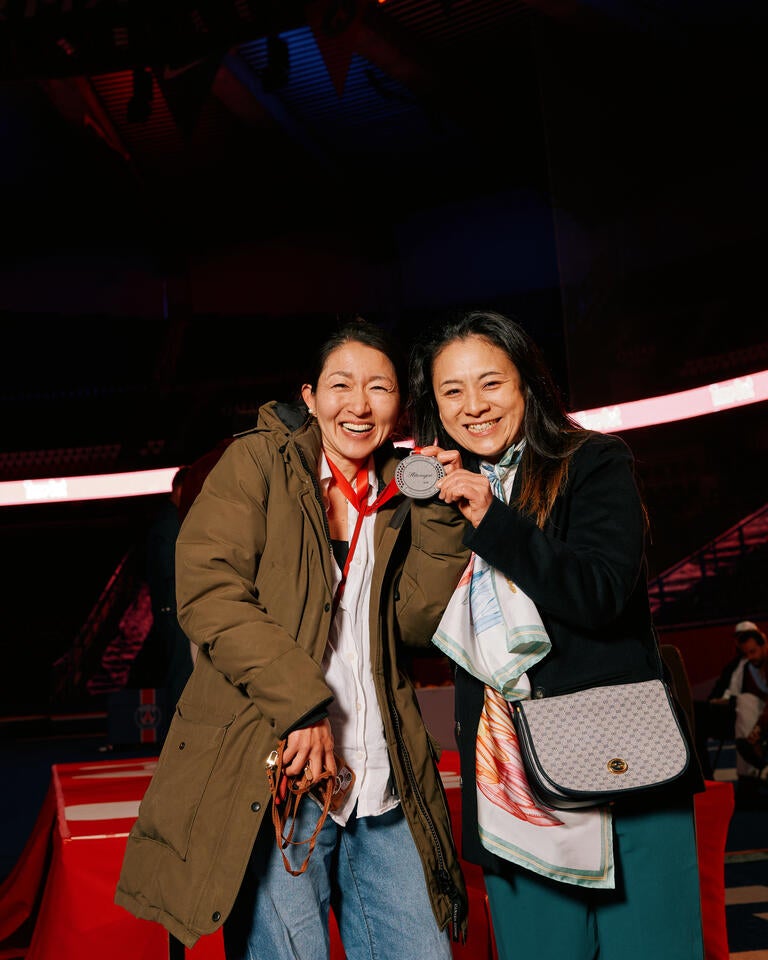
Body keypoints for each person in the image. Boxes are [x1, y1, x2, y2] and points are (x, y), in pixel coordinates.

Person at [114, 318, 470, 959]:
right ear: (309, 396)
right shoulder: (255, 464)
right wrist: (301, 705)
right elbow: (209, 592)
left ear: (399, 404)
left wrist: (442, 514)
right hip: (278, 778)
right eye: (341, 385)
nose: (359, 405)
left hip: (380, 782)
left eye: (379, 388)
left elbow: (415, 624)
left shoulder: (400, 490)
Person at [408, 308, 706, 960]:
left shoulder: (593, 462)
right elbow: (410, 625)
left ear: (528, 386)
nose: (473, 406)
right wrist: (430, 524)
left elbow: (597, 594)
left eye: (491, 383)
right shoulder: (441, 502)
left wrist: (491, 516)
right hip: (510, 785)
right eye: (451, 391)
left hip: (625, 775)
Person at [142, 465, 195, 711]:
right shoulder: (169, 523)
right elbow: (170, 569)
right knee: (180, 675)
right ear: (180, 489)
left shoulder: (167, 520)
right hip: (173, 611)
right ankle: (178, 737)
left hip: (170, 609)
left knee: (181, 674)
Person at [695, 621, 767, 778]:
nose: (749, 655)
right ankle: (705, 777)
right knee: (695, 715)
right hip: (729, 712)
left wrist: (759, 726)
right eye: (739, 637)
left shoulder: (756, 664)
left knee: (746, 701)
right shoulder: (737, 666)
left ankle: (752, 769)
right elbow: (721, 691)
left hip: (749, 713)